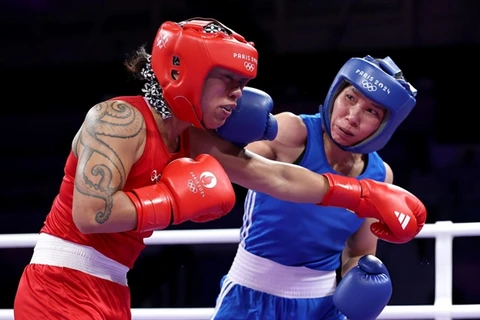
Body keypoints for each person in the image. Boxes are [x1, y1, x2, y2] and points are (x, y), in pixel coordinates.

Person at [13, 16, 425, 320]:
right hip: (59, 283)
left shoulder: (190, 137)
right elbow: (90, 215)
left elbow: (275, 177)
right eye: (226, 81)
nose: (237, 95)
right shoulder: (118, 118)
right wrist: (174, 199)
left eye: (241, 85)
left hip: (112, 287)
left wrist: (362, 194)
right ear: (185, 74)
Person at [211, 55, 421, 320]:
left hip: (322, 305)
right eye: (351, 98)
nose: (352, 117)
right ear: (335, 94)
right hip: (249, 293)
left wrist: (361, 281)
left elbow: (360, 250)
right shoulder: (291, 132)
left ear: (385, 126)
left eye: (371, 111)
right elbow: (226, 162)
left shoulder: (379, 176)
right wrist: (227, 129)